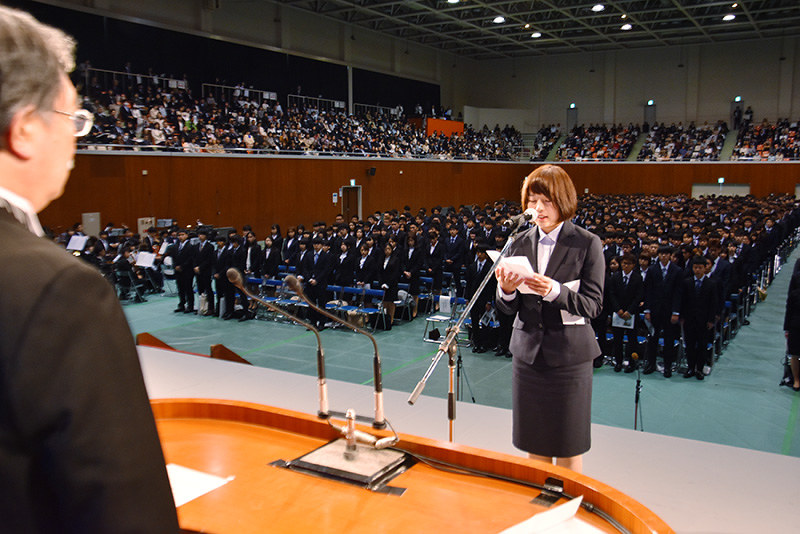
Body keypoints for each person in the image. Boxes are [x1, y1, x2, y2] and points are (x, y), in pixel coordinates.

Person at [0, 6, 178, 531]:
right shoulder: (55, 290)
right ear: (26, 129)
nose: (77, 139)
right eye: (74, 118)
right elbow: (122, 511)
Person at [495, 164, 604, 473]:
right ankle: (540, 506)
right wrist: (506, 291)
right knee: (535, 441)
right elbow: (506, 309)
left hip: (569, 358)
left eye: (546, 201)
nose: (538, 209)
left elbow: (593, 305)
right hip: (528, 355)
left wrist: (555, 291)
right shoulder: (518, 242)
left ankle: (567, 505)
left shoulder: (586, 243)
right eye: (532, 201)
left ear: (564, 201)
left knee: (568, 442)